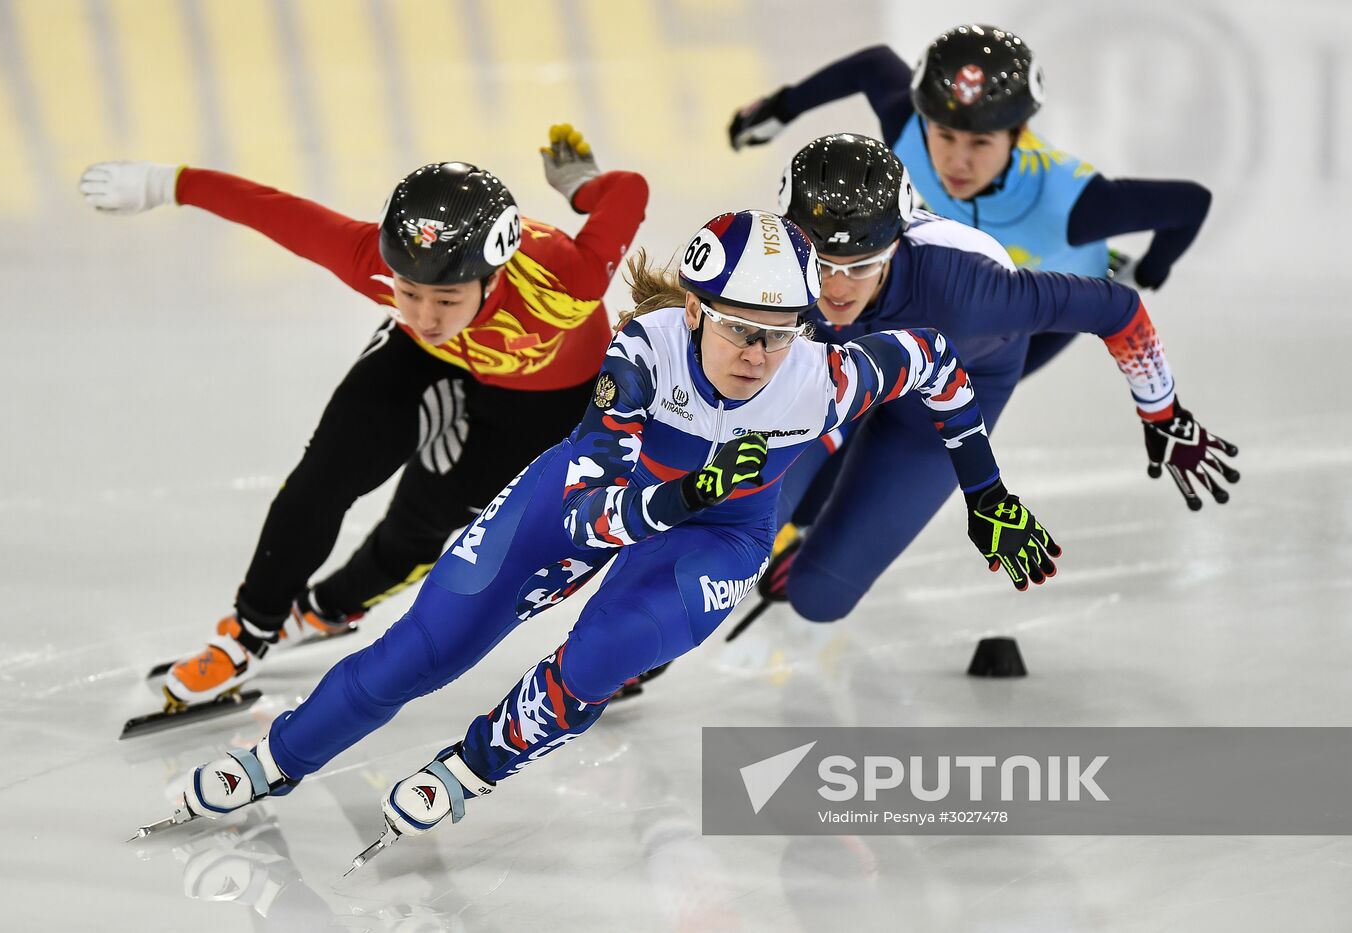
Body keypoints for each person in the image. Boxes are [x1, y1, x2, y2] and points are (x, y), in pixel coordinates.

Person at [147, 210, 1058, 865]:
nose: (759, 355)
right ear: (695, 310)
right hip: (611, 493)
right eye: (741, 329)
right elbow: (592, 518)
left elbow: (937, 367)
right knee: (425, 647)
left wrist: (986, 493)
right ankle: (273, 761)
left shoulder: (826, 373)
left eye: (781, 335)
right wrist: (690, 484)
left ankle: (476, 764)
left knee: (609, 651)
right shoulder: (644, 355)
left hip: (723, 528)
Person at [78, 125, 649, 708]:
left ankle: (328, 609)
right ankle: (247, 633)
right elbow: (273, 211)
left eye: (447, 299)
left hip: (539, 400)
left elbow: (628, 190)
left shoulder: (565, 278)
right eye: (407, 291)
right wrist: (165, 183)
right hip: (425, 364)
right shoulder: (373, 266)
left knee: (423, 523)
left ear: (494, 274)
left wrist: (581, 185)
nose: (425, 313)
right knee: (325, 475)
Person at [764, 135, 1235, 627]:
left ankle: (815, 527)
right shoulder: (766, 265)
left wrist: (1162, 412)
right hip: (838, 372)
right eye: (819, 263)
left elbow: (1118, 309)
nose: (837, 289)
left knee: (819, 598)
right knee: (725, 532)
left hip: (948, 391)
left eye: (861, 266)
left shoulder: (974, 293)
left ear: (896, 244)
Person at [728, 23, 1213, 375]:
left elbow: (1192, 203)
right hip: (954, 264)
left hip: (1036, 299)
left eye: (980, 143)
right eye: (944, 134)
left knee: (934, 398)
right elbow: (873, 65)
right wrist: (777, 109)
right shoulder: (908, 128)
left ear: (1018, 134)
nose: (956, 162)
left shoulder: (1077, 206)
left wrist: (1149, 272)